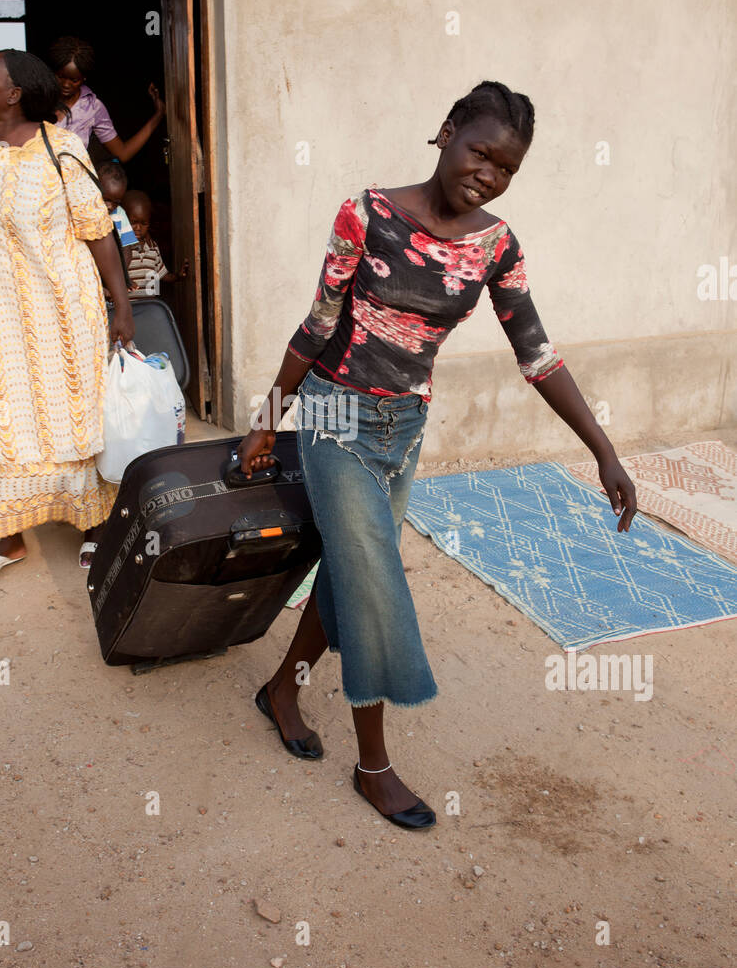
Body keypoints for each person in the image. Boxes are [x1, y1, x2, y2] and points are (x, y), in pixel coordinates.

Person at [237, 80, 637, 830]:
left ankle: (283, 690)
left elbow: (538, 354)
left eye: (506, 167)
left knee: (352, 570)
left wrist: (604, 451)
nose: (487, 173)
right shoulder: (367, 213)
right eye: (480, 151)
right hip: (334, 417)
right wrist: (268, 418)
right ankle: (374, 767)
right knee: (372, 584)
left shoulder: (496, 245)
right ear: (448, 131)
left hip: (404, 430)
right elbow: (319, 321)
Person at [0, 49, 135, 580]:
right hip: (0, 317)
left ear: (13, 94)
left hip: (64, 314)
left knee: (75, 419)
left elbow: (97, 229)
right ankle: (11, 536)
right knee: (5, 420)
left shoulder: (61, 148)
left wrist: (121, 306)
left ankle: (93, 528)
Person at [49, 36, 165, 164]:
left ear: (84, 78)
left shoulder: (92, 107)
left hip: (72, 180)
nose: (66, 84)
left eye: (74, 80)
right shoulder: (39, 99)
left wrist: (158, 116)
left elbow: (123, 153)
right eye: (61, 77)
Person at [121, 190, 189, 297]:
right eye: (133, 223)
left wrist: (177, 277)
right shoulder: (120, 248)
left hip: (150, 306)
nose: (138, 228)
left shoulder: (153, 247)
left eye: (144, 223)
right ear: (123, 219)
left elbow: (162, 275)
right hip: (128, 308)